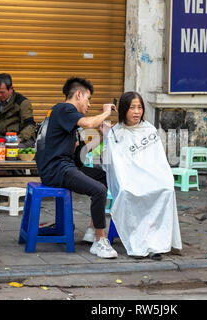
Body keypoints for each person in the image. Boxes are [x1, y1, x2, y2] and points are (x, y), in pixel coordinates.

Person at [35, 77, 118, 259]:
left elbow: (80, 154)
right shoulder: (64, 109)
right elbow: (88, 123)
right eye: (88, 99)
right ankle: (100, 240)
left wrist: (102, 136)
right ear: (78, 95)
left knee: (102, 177)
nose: (88, 105)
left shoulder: (65, 119)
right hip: (57, 170)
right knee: (99, 190)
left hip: (64, 167)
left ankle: (91, 229)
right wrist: (106, 113)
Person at [102, 91, 182, 260]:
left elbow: (159, 160)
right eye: (132, 108)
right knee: (128, 192)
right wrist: (128, 179)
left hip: (152, 177)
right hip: (128, 178)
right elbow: (115, 164)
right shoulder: (116, 133)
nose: (137, 112)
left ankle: (157, 243)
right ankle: (138, 242)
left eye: (139, 107)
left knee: (166, 189)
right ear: (124, 110)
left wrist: (162, 177)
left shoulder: (149, 129)